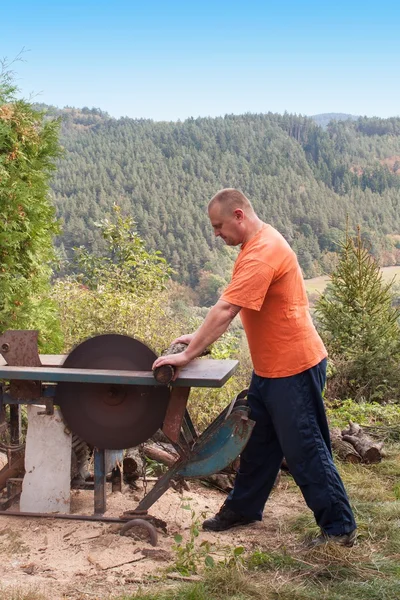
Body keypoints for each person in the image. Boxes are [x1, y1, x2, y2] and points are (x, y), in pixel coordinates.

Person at [152, 188, 356, 546]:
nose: (216, 234)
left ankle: (339, 528)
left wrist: (187, 355)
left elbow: (226, 309)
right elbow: (235, 304)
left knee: (305, 447)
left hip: (293, 367)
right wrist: (196, 336)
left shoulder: (262, 252)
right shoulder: (255, 243)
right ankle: (244, 507)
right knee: (258, 443)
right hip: (270, 368)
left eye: (219, 226)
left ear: (239, 216)